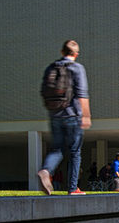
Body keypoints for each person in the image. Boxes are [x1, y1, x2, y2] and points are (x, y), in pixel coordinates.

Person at [37, 40, 92, 195]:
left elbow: (43, 91)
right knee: (75, 152)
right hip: (73, 115)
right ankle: (73, 187)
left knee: (57, 148)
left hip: (55, 114)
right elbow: (82, 94)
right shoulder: (77, 68)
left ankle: (46, 170)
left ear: (62, 52)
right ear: (76, 54)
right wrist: (86, 115)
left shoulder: (51, 68)